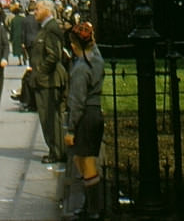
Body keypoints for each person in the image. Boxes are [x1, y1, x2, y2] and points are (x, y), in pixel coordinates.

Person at [64, 21, 106, 220]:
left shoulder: (81, 68)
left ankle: (93, 210)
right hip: (95, 112)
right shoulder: (96, 58)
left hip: (85, 117)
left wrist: (71, 129)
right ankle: (91, 206)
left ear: (74, 46)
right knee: (81, 159)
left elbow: (77, 101)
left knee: (86, 162)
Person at [29, 0, 68, 164]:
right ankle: (55, 149)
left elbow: (54, 55)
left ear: (47, 10)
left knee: (49, 117)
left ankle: (57, 151)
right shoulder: (46, 28)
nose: (34, 12)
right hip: (45, 80)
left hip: (48, 81)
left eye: (37, 9)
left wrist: (39, 73)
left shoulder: (50, 29)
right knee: (49, 117)